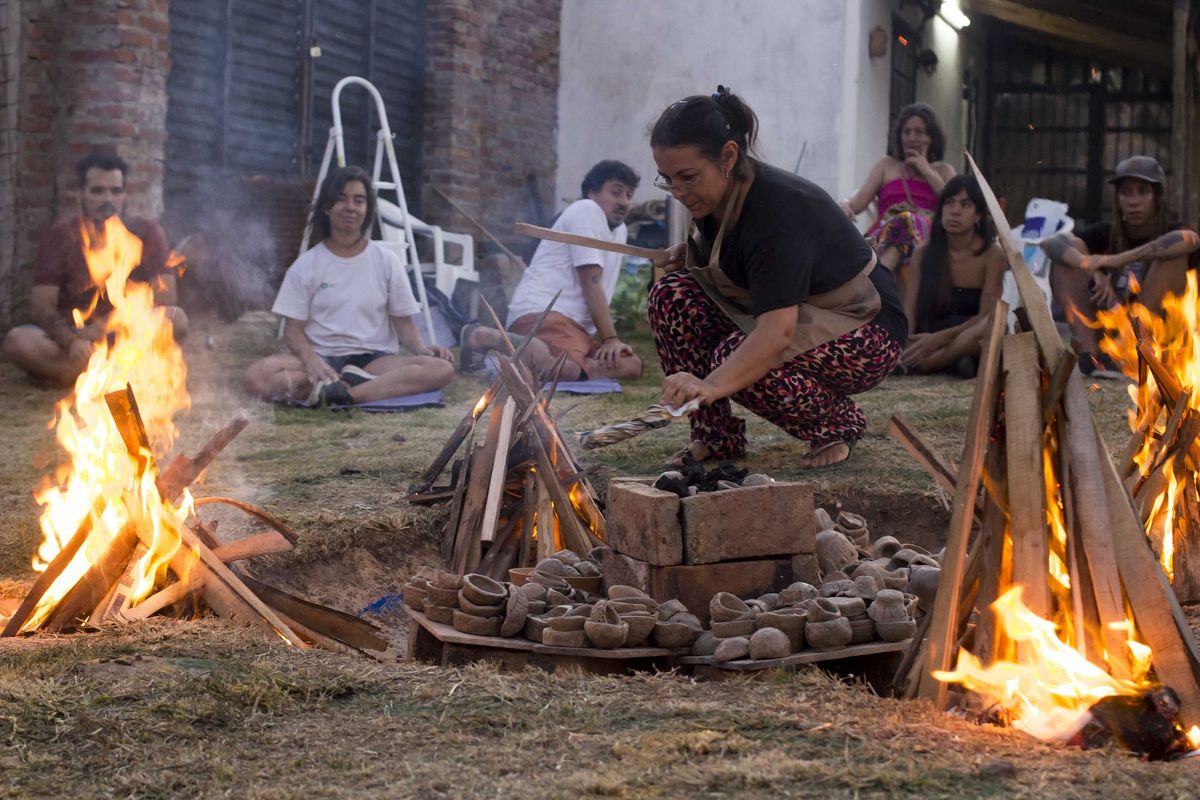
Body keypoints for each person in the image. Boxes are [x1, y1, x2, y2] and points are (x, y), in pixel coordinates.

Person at [648, 87, 908, 469]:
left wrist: (711, 384)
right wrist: (692, 253)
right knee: (670, 297)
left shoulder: (777, 210)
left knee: (734, 356)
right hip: (809, 314)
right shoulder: (714, 194)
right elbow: (743, 259)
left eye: (687, 178)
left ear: (729, 156)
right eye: (667, 180)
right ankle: (716, 437)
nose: (678, 192)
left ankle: (836, 424)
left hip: (869, 328)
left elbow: (776, 333)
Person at [242, 166, 454, 406]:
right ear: (327, 207)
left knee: (440, 369)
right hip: (321, 355)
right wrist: (313, 362)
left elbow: (403, 322)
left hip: (373, 361)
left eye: (359, 200)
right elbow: (293, 330)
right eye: (341, 199)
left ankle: (348, 395)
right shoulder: (307, 265)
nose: (350, 207)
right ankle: (335, 384)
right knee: (257, 377)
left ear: (367, 209)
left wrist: (422, 350)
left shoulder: (386, 261)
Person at [3, 152, 189, 387]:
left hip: (128, 333)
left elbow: (166, 299)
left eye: (115, 190)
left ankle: (79, 377)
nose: (107, 199)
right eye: (98, 191)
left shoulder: (148, 233)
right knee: (17, 341)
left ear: (124, 194)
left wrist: (102, 329)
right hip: (76, 339)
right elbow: (41, 307)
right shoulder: (60, 236)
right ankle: (116, 376)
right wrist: (71, 341)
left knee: (176, 319)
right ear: (82, 193)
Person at [1041, 155, 1200, 379]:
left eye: (1142, 191)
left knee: (1172, 256)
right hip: (1109, 336)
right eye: (1126, 192)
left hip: (1158, 340)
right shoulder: (1106, 233)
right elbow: (1050, 243)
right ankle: (1090, 357)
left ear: (1157, 197)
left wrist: (1116, 260)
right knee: (1070, 255)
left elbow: (1191, 239)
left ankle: (1134, 353)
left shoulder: (1173, 231)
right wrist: (1091, 267)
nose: (1133, 201)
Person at [500, 160, 645, 382]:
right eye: (616, 193)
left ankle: (541, 358)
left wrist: (608, 343)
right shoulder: (586, 209)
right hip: (544, 315)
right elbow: (591, 282)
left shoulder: (619, 230)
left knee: (631, 366)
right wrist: (610, 338)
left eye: (629, 195)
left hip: (577, 332)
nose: (624, 202)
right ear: (592, 193)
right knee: (566, 370)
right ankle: (496, 341)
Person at [899, 176, 1006, 376]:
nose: (955, 211)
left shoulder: (993, 255)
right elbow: (910, 308)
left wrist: (941, 338)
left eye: (965, 205)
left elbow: (986, 315)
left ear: (978, 215)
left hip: (967, 333)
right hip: (928, 333)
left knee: (991, 327)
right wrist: (907, 340)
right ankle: (952, 360)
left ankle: (924, 365)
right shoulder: (923, 252)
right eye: (949, 203)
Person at [839, 103, 956, 279]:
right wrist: (844, 205)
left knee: (909, 221)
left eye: (919, 132)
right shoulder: (887, 166)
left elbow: (954, 205)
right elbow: (856, 203)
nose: (911, 137)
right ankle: (880, 280)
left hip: (927, 243)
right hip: (885, 237)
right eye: (906, 132)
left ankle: (878, 281)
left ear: (931, 138)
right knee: (904, 221)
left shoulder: (944, 171)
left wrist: (927, 171)